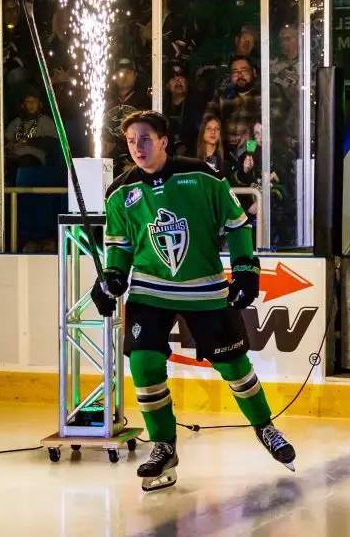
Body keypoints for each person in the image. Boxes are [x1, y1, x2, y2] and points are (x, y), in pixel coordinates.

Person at [90, 110, 295, 493]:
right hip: (150, 290)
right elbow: (119, 245)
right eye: (132, 140)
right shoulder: (120, 192)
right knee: (145, 362)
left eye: (146, 138)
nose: (138, 146)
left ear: (165, 140)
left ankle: (265, 426)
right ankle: (164, 445)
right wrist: (113, 278)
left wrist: (247, 269)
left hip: (204, 288)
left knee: (234, 365)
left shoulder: (203, 176)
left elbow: (236, 225)